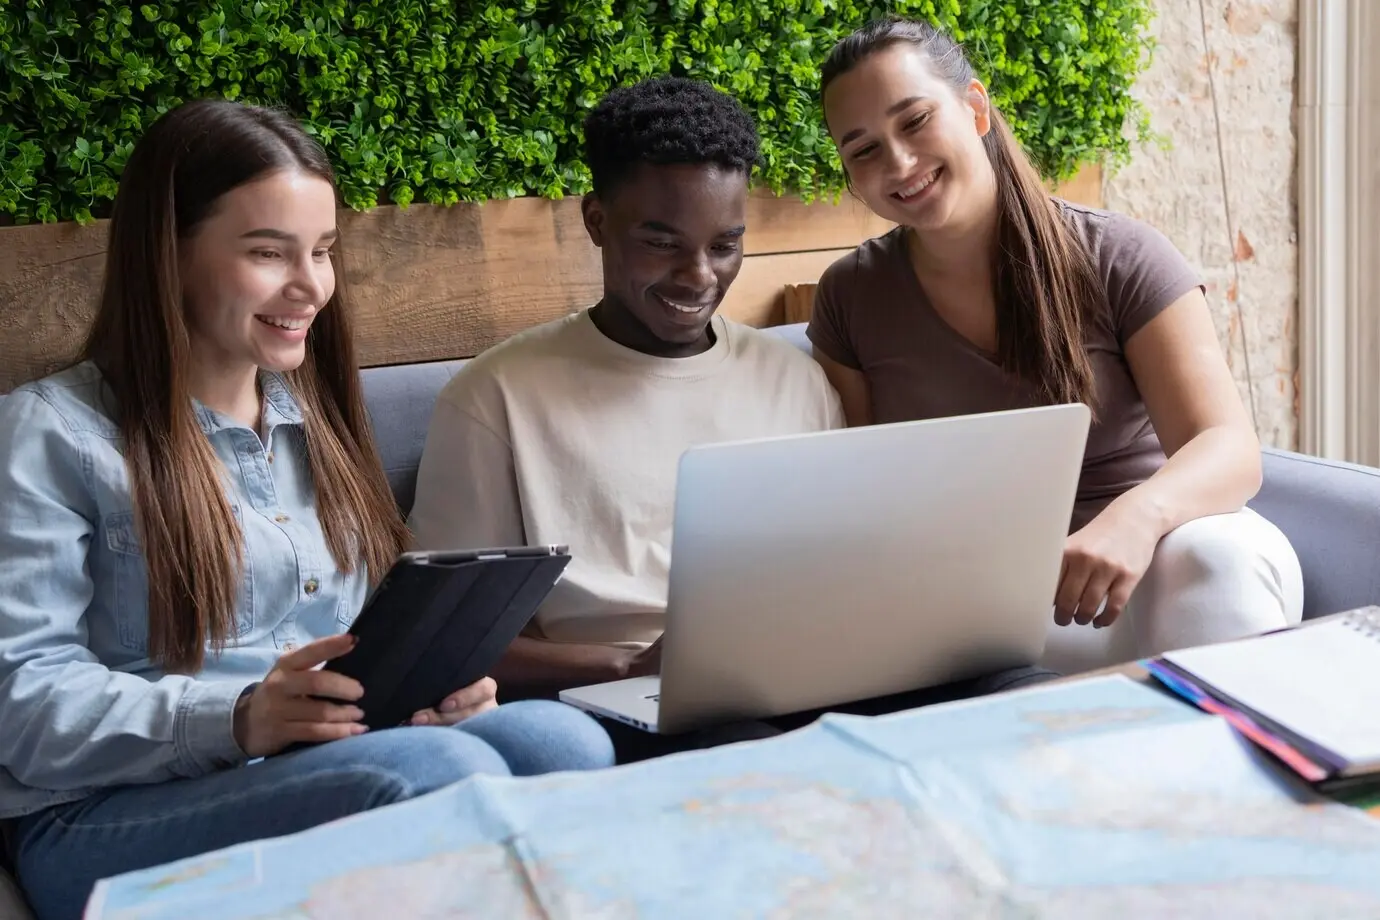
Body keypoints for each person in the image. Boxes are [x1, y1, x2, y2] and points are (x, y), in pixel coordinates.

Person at [0, 99, 613, 920]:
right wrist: (239, 718)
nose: (311, 286)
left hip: (306, 767)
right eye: (267, 252)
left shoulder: (314, 419)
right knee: (438, 774)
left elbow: (350, 643)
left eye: (322, 251)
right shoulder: (50, 435)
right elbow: (22, 700)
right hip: (100, 814)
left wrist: (426, 693)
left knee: (561, 742)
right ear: (168, 254)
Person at [409, 76, 1060, 764]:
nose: (698, 275)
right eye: (662, 243)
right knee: (758, 755)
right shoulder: (495, 398)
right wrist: (626, 667)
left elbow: (849, 568)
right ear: (597, 220)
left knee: (1027, 698)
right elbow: (445, 642)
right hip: (636, 698)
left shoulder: (794, 378)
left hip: (814, 668)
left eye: (724, 244)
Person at [809, 18, 1304, 674]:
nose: (898, 163)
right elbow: (865, 488)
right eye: (864, 150)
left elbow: (1230, 450)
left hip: (1163, 566)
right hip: (993, 603)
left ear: (975, 109)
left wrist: (1137, 518)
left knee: (1214, 559)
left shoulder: (1120, 255)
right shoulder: (850, 295)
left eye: (915, 120)